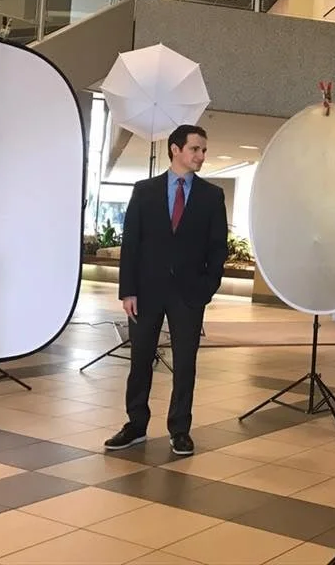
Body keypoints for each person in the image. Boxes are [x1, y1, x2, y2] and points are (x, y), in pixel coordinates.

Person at [104, 124, 228, 457]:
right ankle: (135, 425)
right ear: (175, 149)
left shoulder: (211, 196)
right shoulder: (144, 191)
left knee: (185, 362)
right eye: (195, 149)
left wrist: (207, 287)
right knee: (140, 359)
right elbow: (130, 243)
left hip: (189, 294)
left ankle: (180, 429)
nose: (201, 156)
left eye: (203, 150)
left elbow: (219, 247)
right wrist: (127, 290)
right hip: (145, 291)